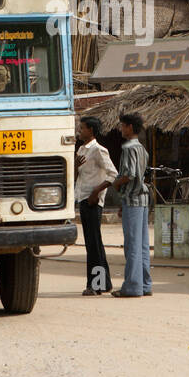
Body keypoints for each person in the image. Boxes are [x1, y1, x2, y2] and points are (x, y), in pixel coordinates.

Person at [110, 112, 152, 298]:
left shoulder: (128, 148)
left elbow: (130, 174)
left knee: (132, 245)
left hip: (133, 200)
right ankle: (145, 284)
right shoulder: (142, 149)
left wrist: (116, 183)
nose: (121, 129)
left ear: (129, 127)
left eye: (122, 125)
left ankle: (132, 286)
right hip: (142, 200)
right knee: (142, 245)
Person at [74, 116, 117, 295]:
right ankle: (102, 283)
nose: (80, 131)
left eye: (82, 128)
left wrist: (96, 192)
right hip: (82, 199)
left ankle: (96, 285)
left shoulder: (99, 150)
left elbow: (113, 174)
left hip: (92, 202)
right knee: (92, 244)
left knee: (94, 244)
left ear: (91, 130)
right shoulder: (82, 149)